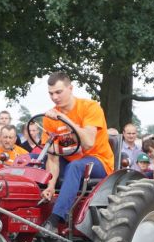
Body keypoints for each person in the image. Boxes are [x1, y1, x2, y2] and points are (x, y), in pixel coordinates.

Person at [40, 72, 114, 232]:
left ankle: (55, 220)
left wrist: (64, 119)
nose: (54, 97)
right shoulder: (49, 118)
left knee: (75, 167)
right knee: (33, 160)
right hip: (69, 159)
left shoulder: (90, 107)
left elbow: (88, 143)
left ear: (70, 88)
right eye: (51, 93)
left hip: (98, 160)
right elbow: (52, 158)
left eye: (58, 92)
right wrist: (51, 186)